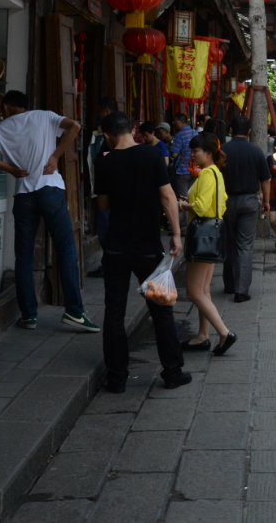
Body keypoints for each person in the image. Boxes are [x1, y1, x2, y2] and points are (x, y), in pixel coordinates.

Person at [0, 91, 99, 332]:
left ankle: (29, 316)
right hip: (50, 190)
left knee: (23, 257)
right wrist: (55, 156)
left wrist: (9, 168)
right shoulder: (44, 116)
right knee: (66, 250)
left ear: (6, 106)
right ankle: (74, 311)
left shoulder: (1, 128)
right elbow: (74, 126)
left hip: (24, 195)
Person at [95, 111, 190, 391]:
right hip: (148, 248)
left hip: (115, 248)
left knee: (114, 313)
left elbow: (103, 206)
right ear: (132, 131)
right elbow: (167, 196)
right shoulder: (152, 155)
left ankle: (117, 378)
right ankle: (172, 372)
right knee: (161, 311)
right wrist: (176, 234)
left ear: (107, 135)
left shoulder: (104, 161)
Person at [180, 132, 237, 356]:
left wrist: (182, 205)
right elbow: (220, 204)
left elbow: (202, 208)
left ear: (208, 153)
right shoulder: (216, 173)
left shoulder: (205, 174)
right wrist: (191, 202)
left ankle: (224, 333)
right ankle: (202, 336)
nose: (192, 155)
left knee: (194, 293)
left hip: (201, 236)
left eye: (195, 151)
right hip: (213, 235)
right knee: (203, 291)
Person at [221, 115, 271, 302]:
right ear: (249, 131)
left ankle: (229, 284)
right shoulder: (256, 151)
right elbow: (265, 180)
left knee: (229, 243)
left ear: (230, 130)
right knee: (245, 245)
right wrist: (266, 201)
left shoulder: (222, 150)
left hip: (225, 202)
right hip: (249, 201)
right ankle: (241, 290)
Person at [87, 97, 119, 278]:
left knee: (107, 227)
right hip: (116, 189)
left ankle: (110, 265)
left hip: (109, 189)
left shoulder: (109, 132)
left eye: (99, 111)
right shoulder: (118, 129)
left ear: (106, 111)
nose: (97, 115)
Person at [170, 112, 195, 199]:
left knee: (182, 198)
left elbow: (174, 154)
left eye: (175, 122)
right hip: (194, 170)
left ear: (182, 122)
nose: (174, 124)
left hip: (182, 171)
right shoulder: (195, 133)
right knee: (191, 197)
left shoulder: (179, 135)